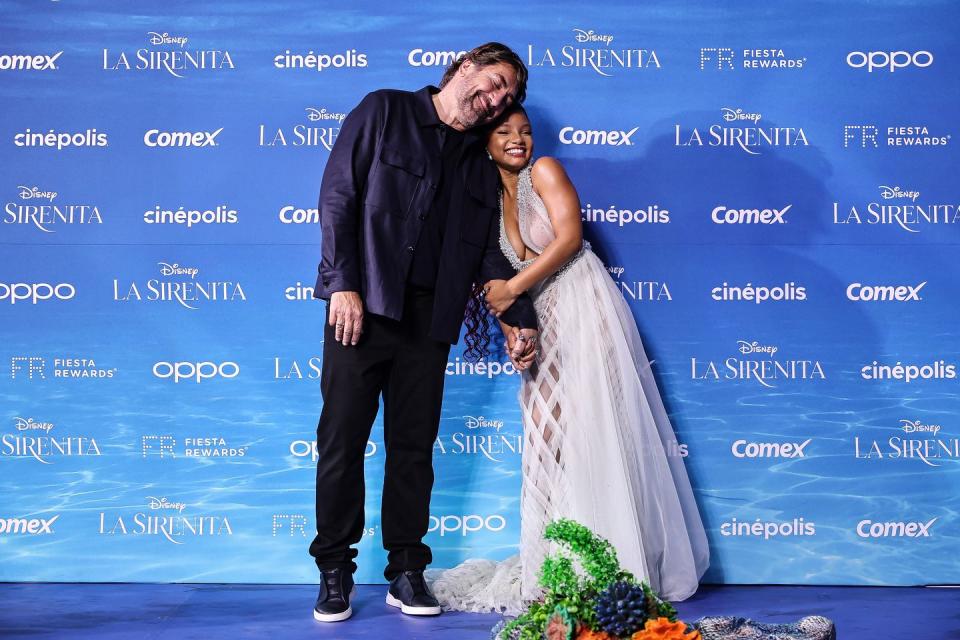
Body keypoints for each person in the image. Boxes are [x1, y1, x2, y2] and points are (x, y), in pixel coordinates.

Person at [428, 106, 710, 613]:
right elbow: (494, 286)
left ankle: (615, 565)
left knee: (595, 429)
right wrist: (515, 332)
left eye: (525, 131)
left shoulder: (546, 171)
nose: (519, 140)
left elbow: (570, 240)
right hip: (544, 317)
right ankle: (556, 560)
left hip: (585, 306)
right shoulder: (486, 201)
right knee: (545, 436)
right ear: (483, 141)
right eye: (504, 132)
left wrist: (514, 285)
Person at [309, 44, 540, 623]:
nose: (494, 100)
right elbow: (339, 197)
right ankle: (334, 568)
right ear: (463, 68)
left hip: (429, 321)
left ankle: (407, 569)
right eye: (491, 83)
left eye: (507, 97)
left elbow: (489, 251)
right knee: (342, 442)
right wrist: (343, 284)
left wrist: (517, 317)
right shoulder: (383, 111)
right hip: (361, 308)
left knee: (413, 449)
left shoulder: (478, 162)